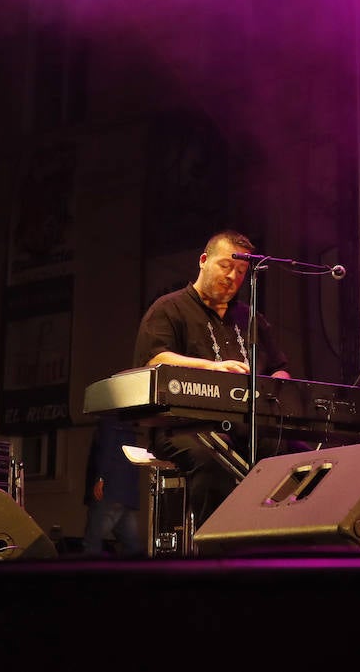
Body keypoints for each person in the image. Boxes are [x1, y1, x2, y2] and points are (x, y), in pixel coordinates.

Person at [133, 229, 293, 531]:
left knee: (296, 454)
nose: (233, 276)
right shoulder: (169, 308)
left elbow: (280, 367)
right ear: (203, 260)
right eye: (225, 266)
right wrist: (212, 368)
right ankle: (217, 548)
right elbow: (155, 358)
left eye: (241, 271)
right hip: (184, 426)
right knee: (211, 462)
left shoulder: (251, 317)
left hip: (247, 424)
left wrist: (275, 386)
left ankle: (280, 541)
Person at [81, 421, 144, 558]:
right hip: (125, 493)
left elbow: (105, 451)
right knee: (131, 544)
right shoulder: (128, 428)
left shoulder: (108, 423)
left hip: (109, 492)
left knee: (92, 540)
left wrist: (100, 478)